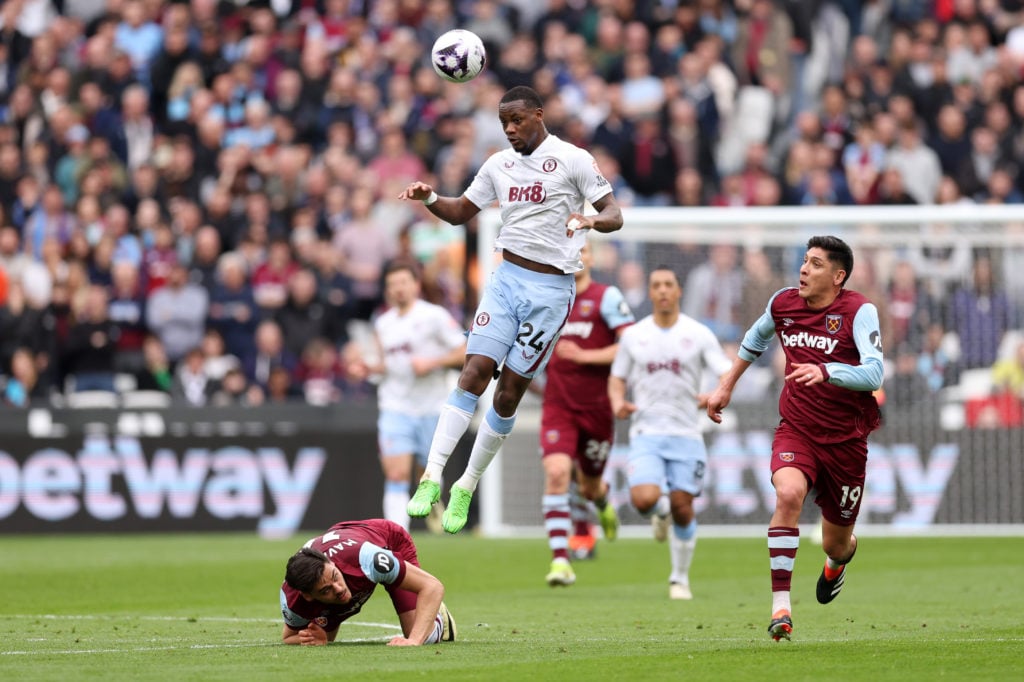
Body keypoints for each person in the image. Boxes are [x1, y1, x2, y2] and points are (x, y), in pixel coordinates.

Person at [397, 85, 624, 534]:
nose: (510, 129)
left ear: (539, 114)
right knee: (473, 372)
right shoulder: (497, 165)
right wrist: (428, 198)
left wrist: (590, 220)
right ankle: (432, 477)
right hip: (505, 282)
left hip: (552, 292)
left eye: (517, 120)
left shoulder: (574, 159)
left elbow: (614, 212)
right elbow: (461, 211)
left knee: (507, 394)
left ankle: (466, 484)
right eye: (504, 123)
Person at [705, 235, 884, 641]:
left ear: (838, 276)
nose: (804, 269)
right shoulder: (783, 302)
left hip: (845, 442)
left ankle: (838, 562)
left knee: (835, 544)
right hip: (797, 428)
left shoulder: (859, 310)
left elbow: (874, 374)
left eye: (816, 264)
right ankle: (780, 609)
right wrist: (726, 386)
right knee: (787, 495)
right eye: (804, 261)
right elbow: (754, 339)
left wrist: (826, 370)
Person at [608, 266, 731, 601]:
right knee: (644, 500)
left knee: (683, 506)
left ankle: (679, 578)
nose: (662, 290)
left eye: (668, 285)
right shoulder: (635, 335)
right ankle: (658, 513)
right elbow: (617, 377)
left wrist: (715, 394)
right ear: (650, 292)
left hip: (687, 434)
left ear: (678, 291)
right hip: (646, 432)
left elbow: (726, 372)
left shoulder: (698, 333)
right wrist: (618, 401)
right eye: (656, 285)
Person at [540, 241, 635, 587]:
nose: (576, 256)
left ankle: (602, 499)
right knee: (557, 472)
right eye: (569, 249)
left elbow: (631, 344)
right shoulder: (550, 297)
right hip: (558, 406)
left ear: (592, 257)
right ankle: (560, 560)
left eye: (583, 250)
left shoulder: (606, 297)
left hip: (597, 408)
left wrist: (584, 357)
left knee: (589, 485)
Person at [346, 261, 467, 531]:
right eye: (392, 285)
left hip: (432, 406)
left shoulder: (434, 316)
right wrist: (366, 367)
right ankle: (395, 536)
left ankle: (433, 499)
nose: (398, 289)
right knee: (396, 473)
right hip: (395, 406)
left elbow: (466, 350)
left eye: (403, 282)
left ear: (416, 285)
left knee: (427, 473)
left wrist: (432, 363)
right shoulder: (383, 323)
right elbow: (383, 363)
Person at [280, 519, 456, 647]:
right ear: (307, 595)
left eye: (335, 576)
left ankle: (439, 616)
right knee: (327, 630)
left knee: (423, 635)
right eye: (326, 590)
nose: (339, 589)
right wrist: (317, 637)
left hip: (389, 543)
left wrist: (414, 641)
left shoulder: (368, 559)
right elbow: (289, 638)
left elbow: (433, 586)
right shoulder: (292, 600)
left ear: (331, 563)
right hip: (353, 552)